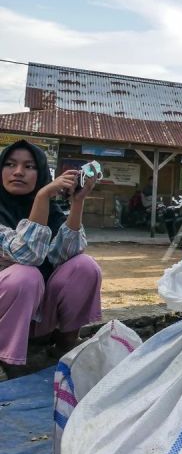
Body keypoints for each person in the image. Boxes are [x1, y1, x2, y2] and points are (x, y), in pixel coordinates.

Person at [0, 140, 102, 379]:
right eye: (10, 164)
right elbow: (28, 255)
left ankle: (66, 341)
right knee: (26, 275)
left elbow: (66, 255)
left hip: (36, 316)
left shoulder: (53, 213)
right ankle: (8, 357)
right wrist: (43, 196)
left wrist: (78, 202)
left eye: (29, 166)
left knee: (84, 266)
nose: (18, 172)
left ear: (42, 173)